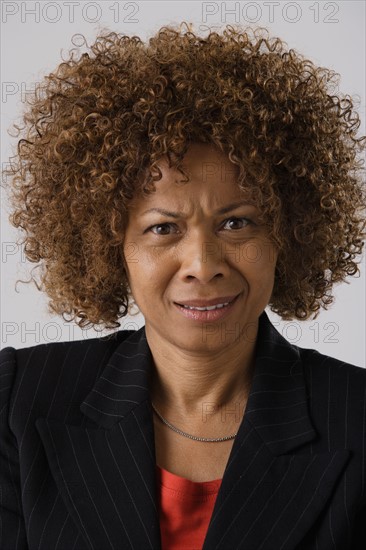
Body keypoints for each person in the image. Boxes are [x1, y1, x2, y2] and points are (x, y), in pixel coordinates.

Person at [1, 21, 365, 550]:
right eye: (162, 228)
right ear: (110, 245)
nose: (202, 263)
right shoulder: (20, 400)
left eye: (237, 222)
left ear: (289, 231)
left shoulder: (357, 418)